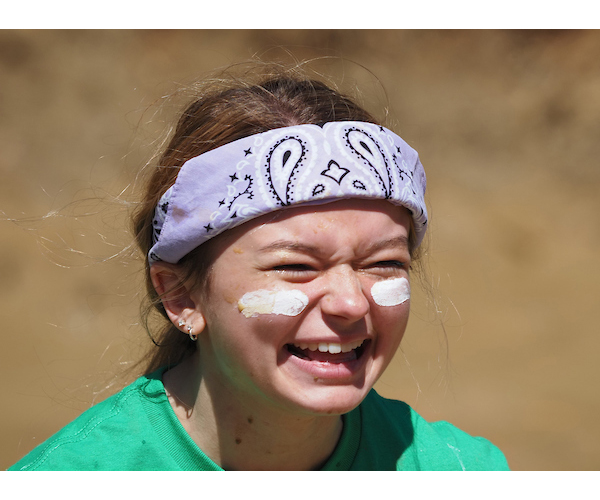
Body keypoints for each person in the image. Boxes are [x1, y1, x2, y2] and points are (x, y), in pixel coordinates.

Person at [9, 65, 509, 471]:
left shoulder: (460, 472)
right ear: (181, 296)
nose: (351, 302)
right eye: (295, 266)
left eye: (382, 263)